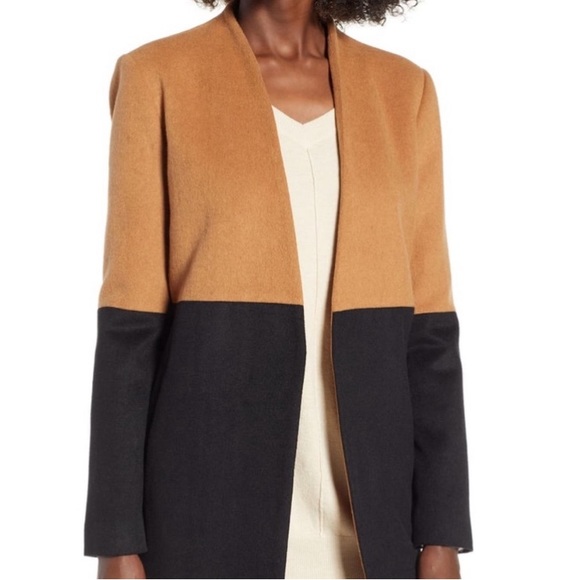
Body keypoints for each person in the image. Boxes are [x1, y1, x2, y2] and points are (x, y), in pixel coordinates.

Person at [83, 0, 473, 578]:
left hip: (373, 539)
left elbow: (430, 337)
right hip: (203, 524)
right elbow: (128, 331)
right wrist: (115, 542)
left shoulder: (403, 91)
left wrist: (443, 535)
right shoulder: (158, 77)